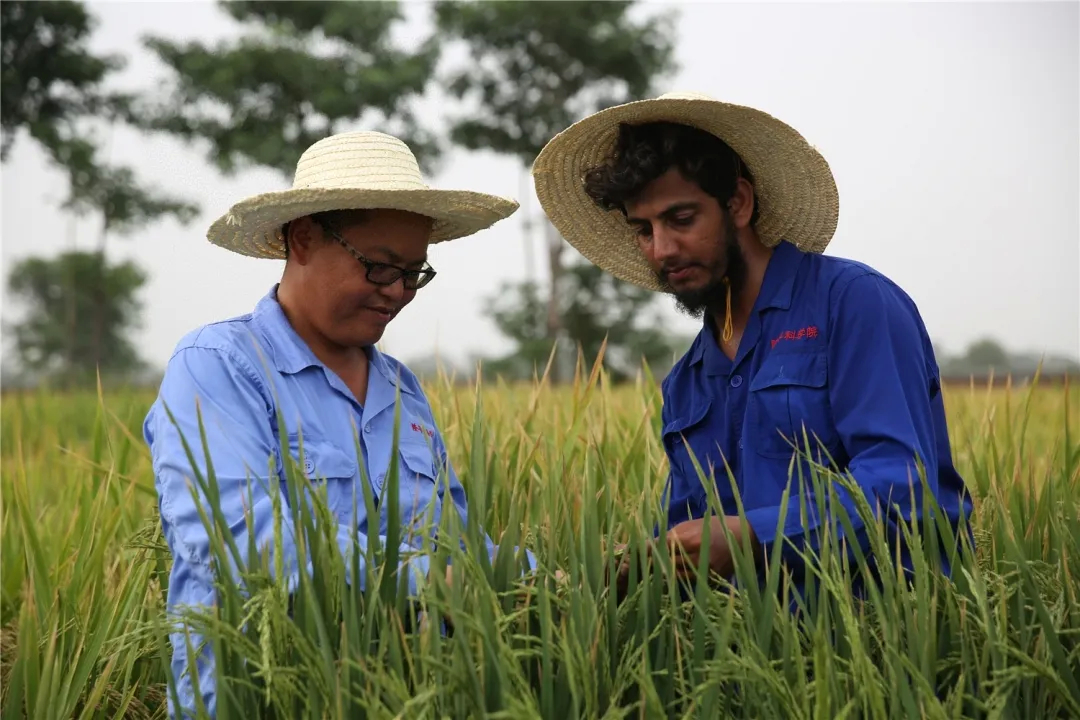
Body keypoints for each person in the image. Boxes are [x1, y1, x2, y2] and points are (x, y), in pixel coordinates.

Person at [144, 130, 529, 718]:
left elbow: (456, 543)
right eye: (379, 268)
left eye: (414, 274)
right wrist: (434, 577)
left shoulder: (401, 389)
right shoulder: (219, 367)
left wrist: (545, 575)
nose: (398, 292)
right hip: (263, 698)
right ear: (302, 239)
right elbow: (245, 543)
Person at [532, 91, 973, 599]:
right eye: (643, 230)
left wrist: (753, 535)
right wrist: (622, 575)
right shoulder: (688, 379)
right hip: (751, 653)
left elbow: (903, 485)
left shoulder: (852, 303)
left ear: (737, 203)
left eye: (681, 219)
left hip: (884, 636)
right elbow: (692, 538)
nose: (662, 249)